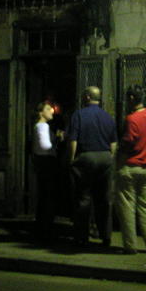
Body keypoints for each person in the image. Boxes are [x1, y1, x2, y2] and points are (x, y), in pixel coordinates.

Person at [114, 85, 146, 255]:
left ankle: (130, 245)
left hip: (130, 166)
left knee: (127, 208)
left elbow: (128, 141)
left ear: (132, 99)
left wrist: (118, 153)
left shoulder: (131, 119)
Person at [67, 86, 117, 248]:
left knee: (83, 198)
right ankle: (106, 236)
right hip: (105, 157)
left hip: (86, 158)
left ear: (87, 97)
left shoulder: (79, 115)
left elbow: (73, 140)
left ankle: (82, 236)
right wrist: (111, 158)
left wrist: (72, 159)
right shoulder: (108, 117)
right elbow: (113, 144)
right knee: (104, 199)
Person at [32, 101, 61, 241]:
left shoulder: (41, 126)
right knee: (47, 195)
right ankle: (45, 226)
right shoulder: (42, 126)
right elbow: (45, 146)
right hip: (46, 163)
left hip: (42, 163)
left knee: (44, 195)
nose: (52, 111)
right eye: (48, 109)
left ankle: (42, 225)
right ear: (41, 113)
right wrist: (57, 139)